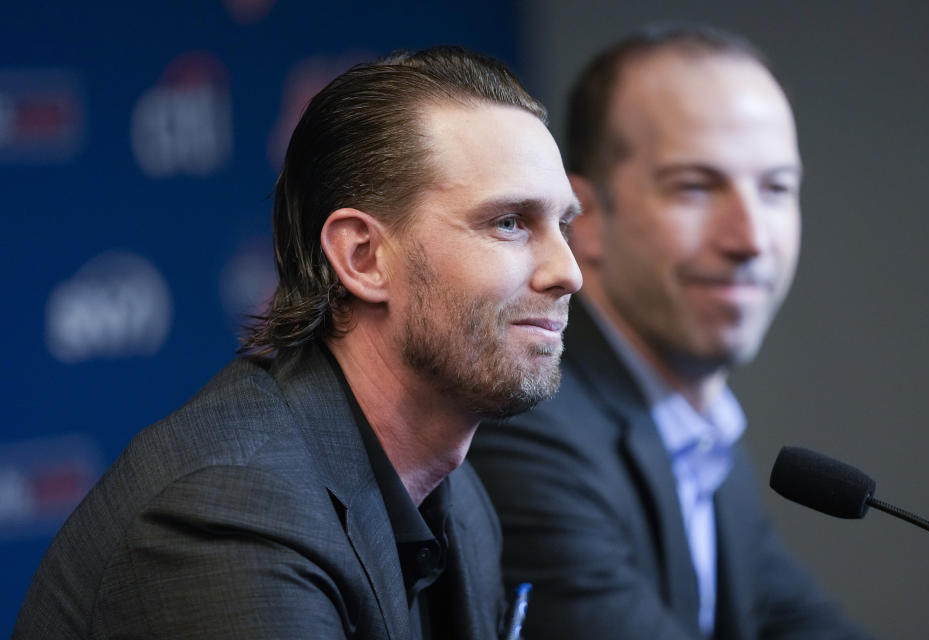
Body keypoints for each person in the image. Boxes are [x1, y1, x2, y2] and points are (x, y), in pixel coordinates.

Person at [14, 46, 582, 640]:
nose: (568, 271)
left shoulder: (457, 498)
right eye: (509, 223)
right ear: (363, 258)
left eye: (562, 225)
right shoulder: (231, 514)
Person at [469, 24, 870, 639]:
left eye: (776, 189)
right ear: (586, 220)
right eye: (695, 187)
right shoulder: (527, 420)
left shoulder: (699, 426)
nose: (751, 239)